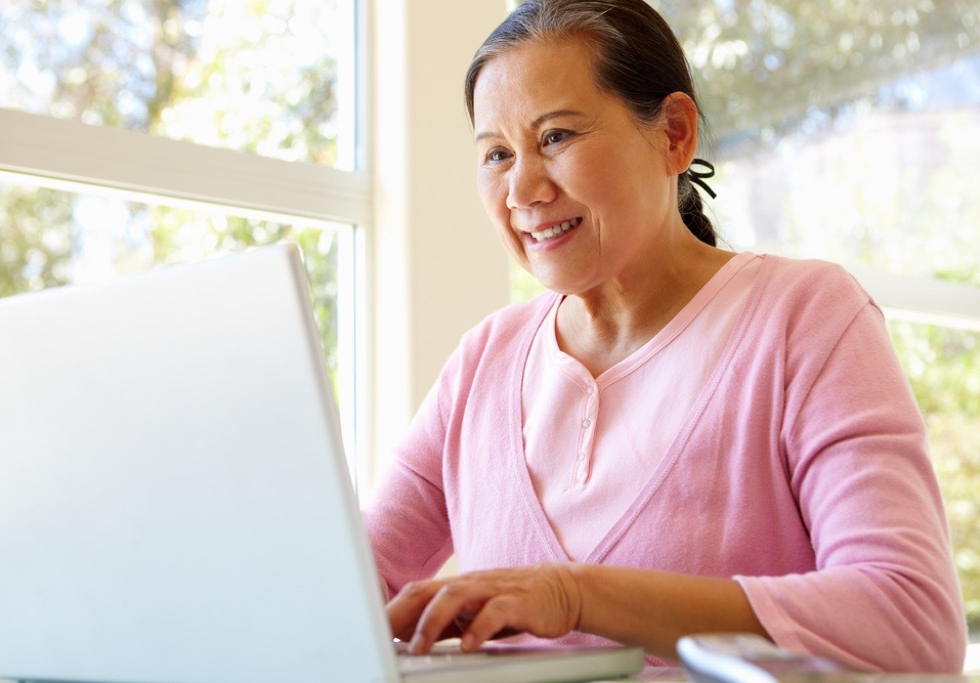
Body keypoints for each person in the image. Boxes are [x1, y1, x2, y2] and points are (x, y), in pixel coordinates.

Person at [362, 0, 967, 673]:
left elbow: (910, 619)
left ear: (675, 133)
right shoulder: (483, 362)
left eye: (556, 136)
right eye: (497, 154)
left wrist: (573, 595)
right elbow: (342, 591)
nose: (522, 188)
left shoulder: (805, 317)